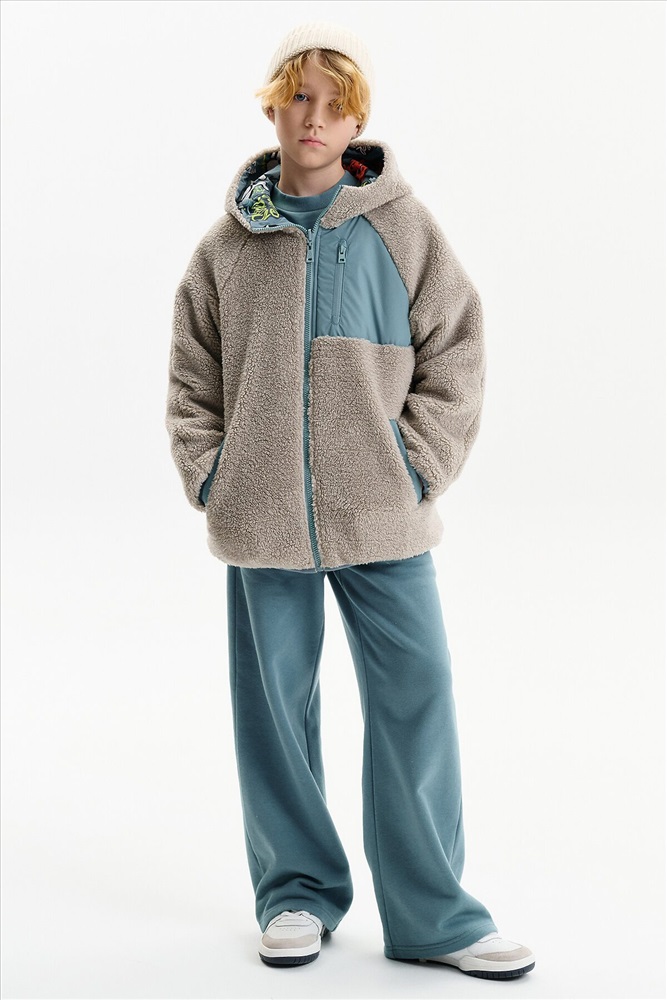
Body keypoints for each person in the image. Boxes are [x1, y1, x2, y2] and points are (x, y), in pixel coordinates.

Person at [165, 20, 535, 980]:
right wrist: (212, 474)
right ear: (272, 107)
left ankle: (434, 917)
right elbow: (192, 379)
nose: (313, 119)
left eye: (334, 105)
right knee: (274, 711)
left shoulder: (401, 229)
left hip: (382, 510)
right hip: (261, 517)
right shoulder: (226, 249)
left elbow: (457, 345)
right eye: (298, 98)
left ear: (356, 118)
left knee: (417, 693)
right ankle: (295, 892)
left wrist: (418, 461)